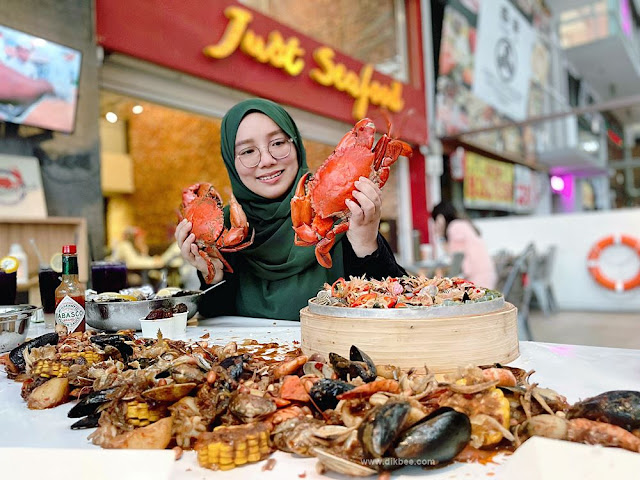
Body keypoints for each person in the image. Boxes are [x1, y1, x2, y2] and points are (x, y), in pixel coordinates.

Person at [175, 98, 406, 320]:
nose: (266, 160)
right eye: (247, 151)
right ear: (230, 161)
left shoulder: (345, 211)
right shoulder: (221, 230)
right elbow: (216, 319)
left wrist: (366, 244)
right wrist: (213, 275)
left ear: (295, 145)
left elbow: (401, 306)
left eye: (277, 143)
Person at [431, 200, 497, 289]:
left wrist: (440, 233)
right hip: (484, 273)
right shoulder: (461, 224)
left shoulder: (455, 227)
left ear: (440, 218)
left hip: (478, 277)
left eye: (435, 221)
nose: (434, 225)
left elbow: (456, 259)